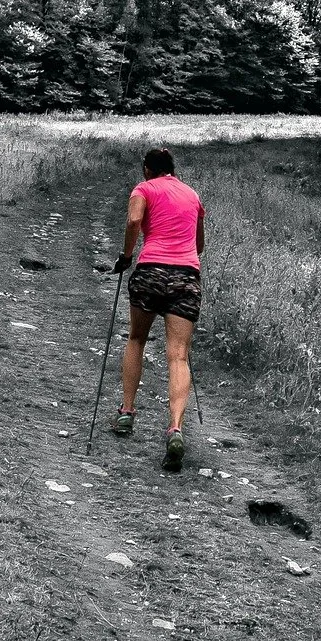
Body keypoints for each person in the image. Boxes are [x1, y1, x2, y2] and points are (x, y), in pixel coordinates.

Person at [110, 145, 205, 470]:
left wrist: (126, 257)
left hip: (150, 271)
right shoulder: (192, 195)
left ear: (147, 169)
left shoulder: (144, 188)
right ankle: (175, 428)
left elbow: (134, 219)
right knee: (178, 354)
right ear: (173, 170)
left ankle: (126, 412)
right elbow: (199, 245)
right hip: (186, 277)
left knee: (136, 339)